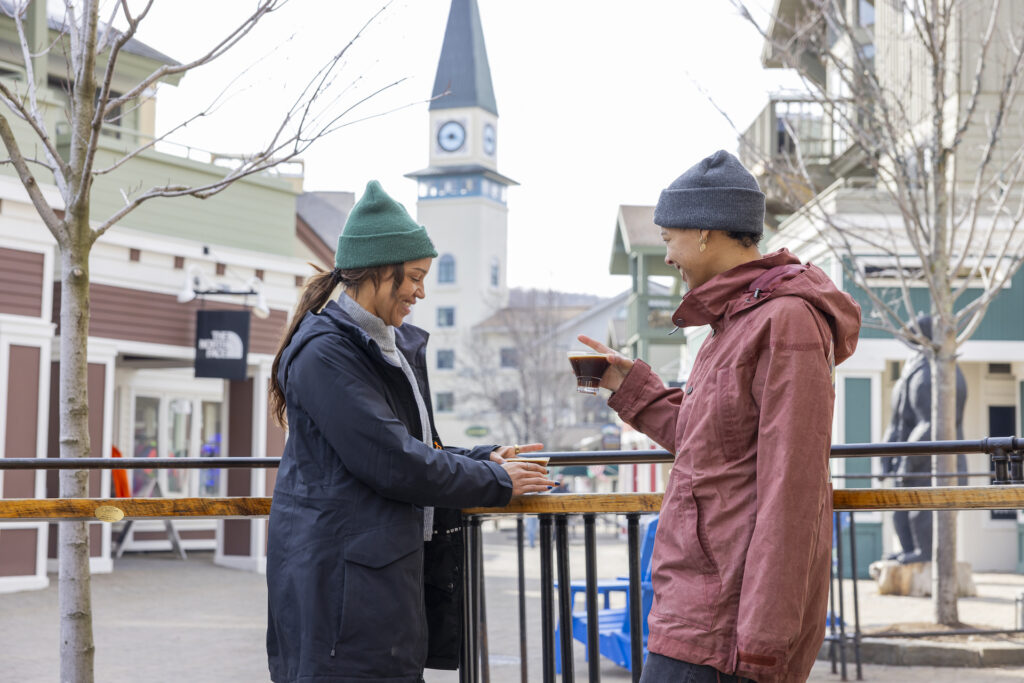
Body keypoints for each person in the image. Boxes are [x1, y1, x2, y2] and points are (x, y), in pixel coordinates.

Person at [578, 150, 862, 683]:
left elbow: (792, 489)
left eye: (668, 240)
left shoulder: (786, 322)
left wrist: (762, 644)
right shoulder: (733, 324)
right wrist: (628, 386)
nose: (667, 258)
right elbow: (704, 439)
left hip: (728, 632)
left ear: (706, 233)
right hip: (696, 613)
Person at [265, 180, 555, 683]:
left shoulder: (383, 346)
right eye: (415, 277)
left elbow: (414, 446)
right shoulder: (326, 354)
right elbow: (392, 460)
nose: (421, 292)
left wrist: (485, 458)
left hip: (374, 579)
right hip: (343, 590)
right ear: (379, 271)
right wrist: (498, 482)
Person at [882, 315, 967, 564]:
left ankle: (924, 553)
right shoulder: (913, 366)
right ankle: (909, 548)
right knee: (898, 508)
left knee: (922, 509)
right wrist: (887, 456)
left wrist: (908, 459)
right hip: (907, 458)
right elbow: (897, 419)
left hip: (930, 460)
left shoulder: (939, 370)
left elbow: (930, 424)